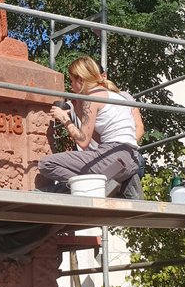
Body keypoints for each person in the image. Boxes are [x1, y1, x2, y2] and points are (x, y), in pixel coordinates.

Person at [38, 56, 143, 198]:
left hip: (111, 157)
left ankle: (89, 187)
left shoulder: (92, 97)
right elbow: (100, 138)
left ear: (80, 79)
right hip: (131, 158)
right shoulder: (118, 97)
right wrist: (80, 114)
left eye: (72, 80)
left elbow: (83, 141)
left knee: (46, 164)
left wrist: (64, 119)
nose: (71, 86)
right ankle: (100, 185)